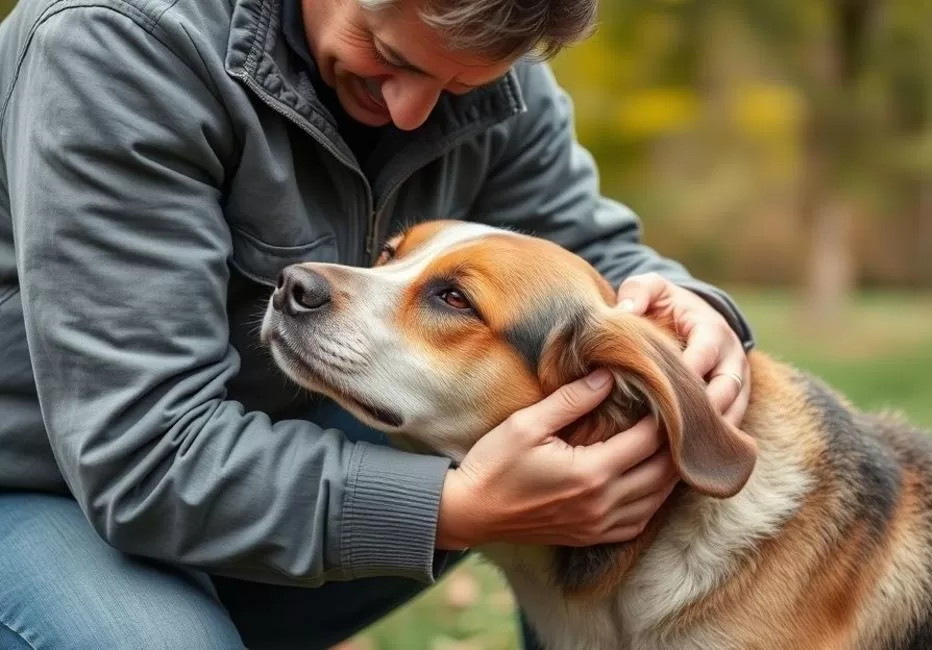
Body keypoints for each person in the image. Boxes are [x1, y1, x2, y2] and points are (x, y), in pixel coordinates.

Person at [0, 0, 756, 646]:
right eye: (388, 57)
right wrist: (449, 509)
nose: (411, 112)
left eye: (458, 85)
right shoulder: (119, 41)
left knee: (586, 434)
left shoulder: (481, 44)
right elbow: (145, 451)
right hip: (42, 480)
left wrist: (690, 305)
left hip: (251, 455)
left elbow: (582, 253)